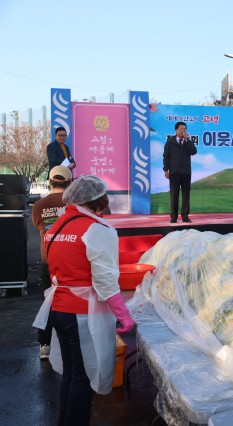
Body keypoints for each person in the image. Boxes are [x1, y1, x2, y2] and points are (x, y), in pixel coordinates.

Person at [32, 175, 134, 426]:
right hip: (80, 313)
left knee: (71, 375)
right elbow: (105, 280)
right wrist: (124, 315)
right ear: (98, 204)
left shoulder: (57, 226)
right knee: (82, 378)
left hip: (58, 309)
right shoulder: (97, 230)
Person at [32, 165, 73, 360]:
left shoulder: (39, 205)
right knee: (72, 301)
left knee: (47, 302)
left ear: (50, 182)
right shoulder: (75, 203)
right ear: (70, 183)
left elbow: (37, 226)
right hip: (72, 261)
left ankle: (45, 345)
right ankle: (71, 342)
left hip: (47, 261)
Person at [163, 121, 197, 223]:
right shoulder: (170, 142)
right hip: (174, 172)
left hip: (186, 172)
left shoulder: (188, 141)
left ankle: (185, 216)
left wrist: (188, 140)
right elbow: (166, 156)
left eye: (185, 129)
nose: (183, 131)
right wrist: (166, 169)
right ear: (176, 130)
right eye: (181, 129)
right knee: (174, 195)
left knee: (186, 195)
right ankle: (173, 217)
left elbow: (193, 152)